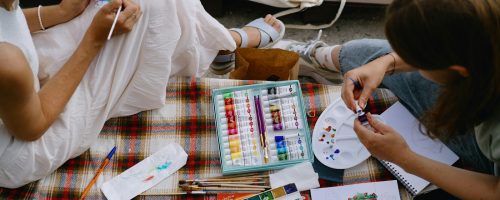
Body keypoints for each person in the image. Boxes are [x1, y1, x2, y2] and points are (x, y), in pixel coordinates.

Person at [0, 0, 283, 188]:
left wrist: (60, 13)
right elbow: (32, 126)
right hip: (25, 142)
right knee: (158, 10)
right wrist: (94, 39)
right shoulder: (7, 62)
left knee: (145, 7)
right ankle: (224, 43)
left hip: (20, 83)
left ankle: (218, 43)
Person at [278, 0, 500, 198]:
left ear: (458, 69)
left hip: (489, 171)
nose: (407, 60)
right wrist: (386, 62)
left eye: (417, 60)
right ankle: (320, 58)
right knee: (368, 53)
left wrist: (405, 159)